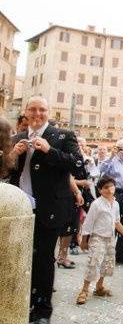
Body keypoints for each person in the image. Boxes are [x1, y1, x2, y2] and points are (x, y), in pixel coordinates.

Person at [8, 96, 83, 324]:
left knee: (42, 260)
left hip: (48, 208)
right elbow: (4, 171)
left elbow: (78, 166)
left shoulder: (63, 136)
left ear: (49, 112)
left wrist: (51, 151)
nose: (37, 113)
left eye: (42, 109)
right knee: (18, 258)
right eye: (32, 109)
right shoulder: (17, 138)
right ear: (26, 112)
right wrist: (12, 156)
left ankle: (42, 311)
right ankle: (21, 302)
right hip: (18, 208)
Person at [75, 176, 123, 305]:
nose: (108, 189)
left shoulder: (116, 204)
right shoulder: (96, 204)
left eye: (111, 186)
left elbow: (117, 221)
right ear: (100, 190)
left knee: (107, 262)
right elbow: (88, 223)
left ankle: (99, 287)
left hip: (110, 237)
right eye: (105, 187)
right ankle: (84, 290)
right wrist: (84, 240)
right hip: (97, 237)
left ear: (115, 187)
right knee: (93, 262)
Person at [99, 139, 123, 264]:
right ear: (116, 149)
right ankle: (107, 253)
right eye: (121, 148)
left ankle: (119, 254)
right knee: (112, 222)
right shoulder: (113, 160)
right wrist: (111, 156)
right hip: (116, 193)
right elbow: (102, 169)